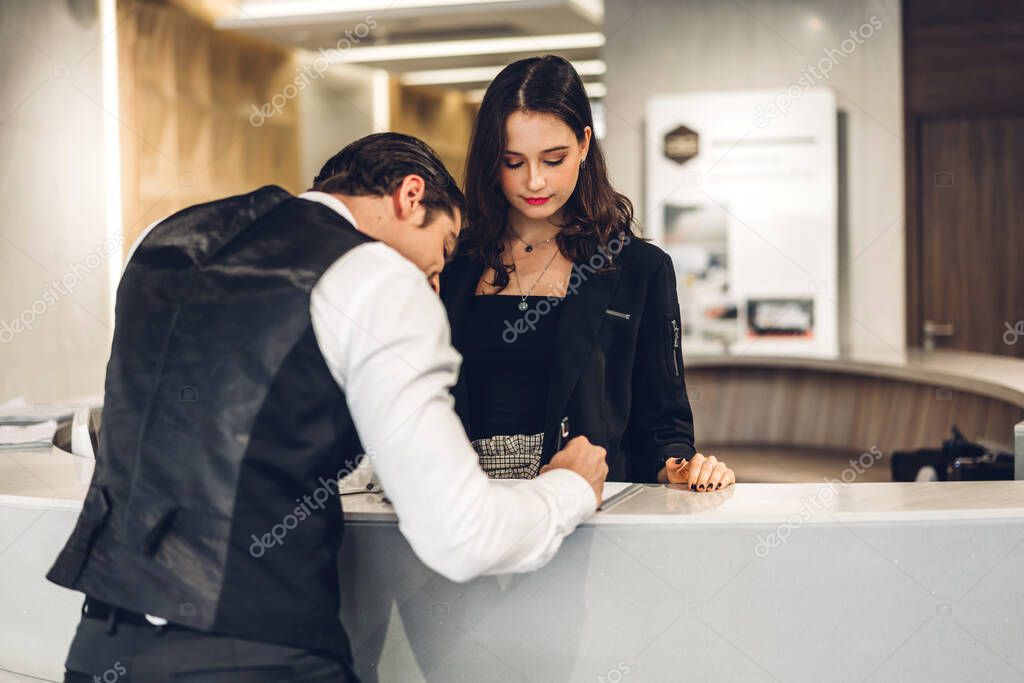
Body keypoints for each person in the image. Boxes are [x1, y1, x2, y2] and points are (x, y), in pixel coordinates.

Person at [48, 132, 608, 682]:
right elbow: (462, 537)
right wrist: (567, 488)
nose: (435, 287)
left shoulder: (162, 239)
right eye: (439, 257)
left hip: (102, 646)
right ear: (410, 197)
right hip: (260, 654)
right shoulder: (376, 278)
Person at [441, 56, 736, 489]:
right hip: (462, 513)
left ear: (583, 144)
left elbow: (661, 426)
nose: (535, 181)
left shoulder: (639, 269)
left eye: (553, 159)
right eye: (513, 162)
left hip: (585, 513)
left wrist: (682, 467)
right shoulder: (450, 264)